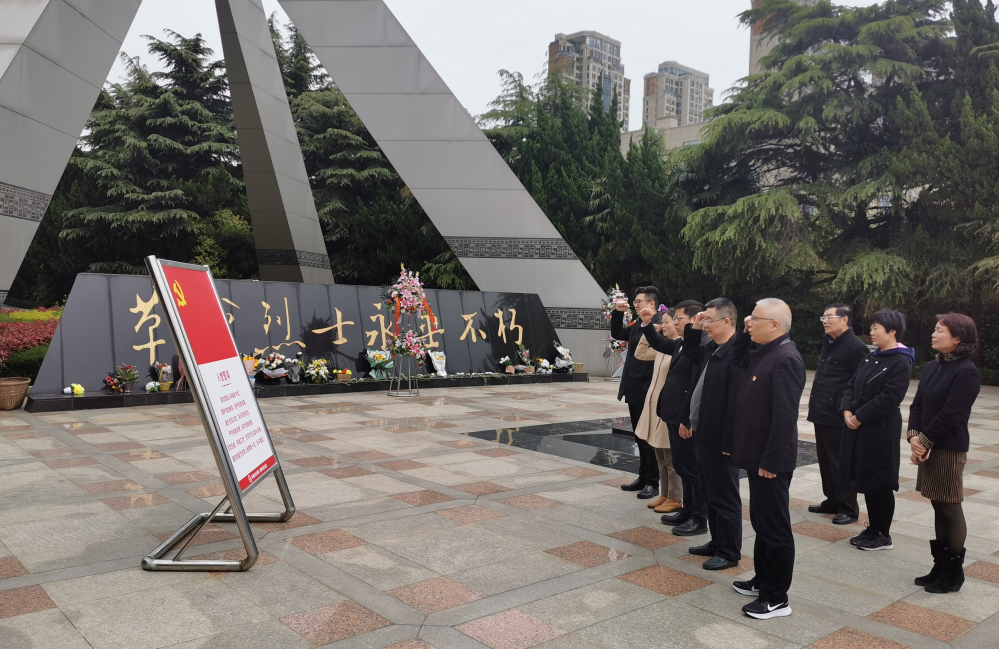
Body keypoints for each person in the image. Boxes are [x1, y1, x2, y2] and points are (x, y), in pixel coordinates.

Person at [728, 298, 805, 620]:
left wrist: (771, 462)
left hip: (770, 461)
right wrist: (743, 333)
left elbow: (785, 418)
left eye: (755, 319)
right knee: (761, 522)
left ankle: (776, 598)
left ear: (775, 325)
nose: (749, 322)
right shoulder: (766, 352)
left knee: (775, 528)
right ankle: (762, 580)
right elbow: (736, 360)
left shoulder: (786, 358)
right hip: (756, 454)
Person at [908, 313, 981, 593]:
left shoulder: (966, 371)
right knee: (937, 503)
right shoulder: (932, 367)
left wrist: (924, 441)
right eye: (935, 329)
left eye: (940, 330)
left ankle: (953, 573)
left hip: (949, 447)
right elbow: (917, 405)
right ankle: (939, 567)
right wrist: (914, 436)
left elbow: (952, 413)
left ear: (958, 338)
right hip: (928, 445)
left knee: (950, 505)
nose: (934, 334)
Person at [678, 298, 747, 566]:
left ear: (727, 321)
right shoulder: (712, 349)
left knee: (725, 497)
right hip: (704, 435)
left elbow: (737, 404)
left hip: (721, 441)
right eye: (703, 319)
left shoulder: (736, 354)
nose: (705, 324)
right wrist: (695, 327)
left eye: (709, 320)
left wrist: (729, 443)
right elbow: (689, 352)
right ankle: (717, 542)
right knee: (710, 493)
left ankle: (729, 551)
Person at [840, 308, 914, 552]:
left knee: (881, 481)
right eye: (871, 327)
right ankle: (873, 529)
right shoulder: (872, 357)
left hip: (881, 429)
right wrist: (846, 409)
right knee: (867, 479)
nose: (871, 332)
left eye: (876, 328)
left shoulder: (900, 360)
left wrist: (860, 416)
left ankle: (883, 534)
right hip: (861, 427)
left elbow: (890, 397)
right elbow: (852, 384)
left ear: (892, 331)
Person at [641, 300, 710, 529]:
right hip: (673, 415)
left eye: (679, 318)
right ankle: (686, 510)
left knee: (691, 469)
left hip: (685, 419)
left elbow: (695, 385)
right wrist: (646, 324)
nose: (676, 322)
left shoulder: (700, 345)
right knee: (681, 466)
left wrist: (688, 419)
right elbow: (659, 342)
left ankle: (698, 517)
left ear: (695, 319)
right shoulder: (682, 343)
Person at [806, 304, 868, 524]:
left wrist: (851, 410)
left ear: (844, 320)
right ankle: (832, 500)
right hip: (822, 411)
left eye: (829, 317)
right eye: (823, 317)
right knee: (825, 461)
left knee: (841, 462)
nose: (825, 321)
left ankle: (848, 508)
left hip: (839, 415)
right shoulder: (829, 343)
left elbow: (860, 382)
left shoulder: (855, 347)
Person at [611, 287, 663, 498]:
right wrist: (617, 313)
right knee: (639, 437)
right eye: (635, 301)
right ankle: (643, 476)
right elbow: (618, 334)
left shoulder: (658, 324)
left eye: (639, 301)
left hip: (647, 387)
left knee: (649, 438)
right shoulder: (638, 323)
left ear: (652, 304)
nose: (635, 304)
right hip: (633, 386)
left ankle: (653, 481)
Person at [632, 310, 683, 512]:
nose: (663, 325)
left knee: (670, 457)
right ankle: (664, 493)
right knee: (659, 453)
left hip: (668, 407)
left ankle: (675, 497)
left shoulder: (678, 347)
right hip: (654, 406)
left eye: (666, 322)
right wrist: (649, 333)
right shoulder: (663, 347)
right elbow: (640, 353)